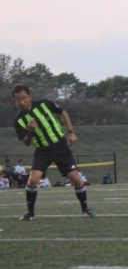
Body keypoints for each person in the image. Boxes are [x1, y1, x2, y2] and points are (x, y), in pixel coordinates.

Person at [12, 85, 95, 220]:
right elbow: (26, 143)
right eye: (18, 100)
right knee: (33, 179)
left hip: (60, 145)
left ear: (30, 97)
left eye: (24, 98)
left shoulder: (44, 104)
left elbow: (62, 112)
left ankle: (86, 209)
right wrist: (31, 130)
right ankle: (30, 213)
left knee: (75, 178)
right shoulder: (19, 121)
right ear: (15, 102)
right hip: (42, 150)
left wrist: (71, 132)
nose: (21, 102)